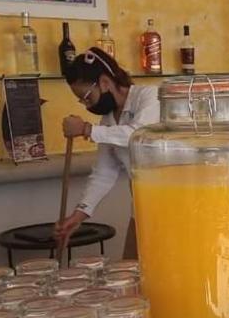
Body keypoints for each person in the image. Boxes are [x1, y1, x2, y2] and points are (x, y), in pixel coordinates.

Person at [53, 47, 160, 258]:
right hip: (142, 207)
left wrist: (86, 129)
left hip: (175, 205)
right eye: (82, 101)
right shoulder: (108, 120)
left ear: (104, 82)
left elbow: (138, 136)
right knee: (132, 272)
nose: (86, 105)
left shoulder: (150, 96)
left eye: (87, 97)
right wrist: (78, 215)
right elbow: (104, 173)